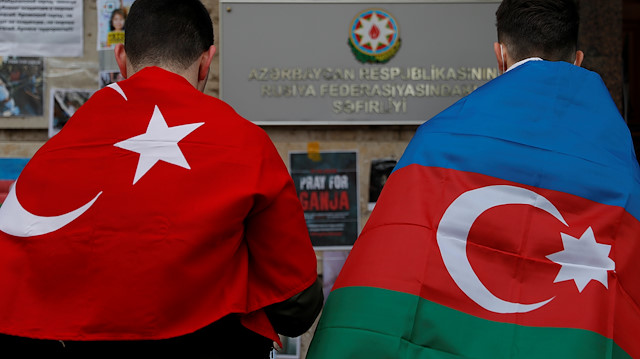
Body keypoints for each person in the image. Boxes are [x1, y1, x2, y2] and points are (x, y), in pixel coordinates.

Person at [307, 0, 640, 358]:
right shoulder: (618, 162)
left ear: (500, 55)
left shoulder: (439, 139)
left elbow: (397, 250)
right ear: (577, 60)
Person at [0, 0, 322, 358]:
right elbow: (297, 306)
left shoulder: (55, 154)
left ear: (120, 58)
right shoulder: (248, 144)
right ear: (206, 62)